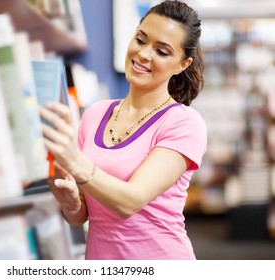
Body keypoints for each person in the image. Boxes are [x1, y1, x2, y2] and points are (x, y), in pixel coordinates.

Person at [39, 0, 207, 260]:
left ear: (182, 65)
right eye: (141, 40)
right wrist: (72, 202)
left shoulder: (184, 123)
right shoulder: (96, 114)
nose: (144, 55)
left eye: (162, 52)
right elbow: (81, 217)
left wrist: (76, 162)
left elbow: (130, 201)